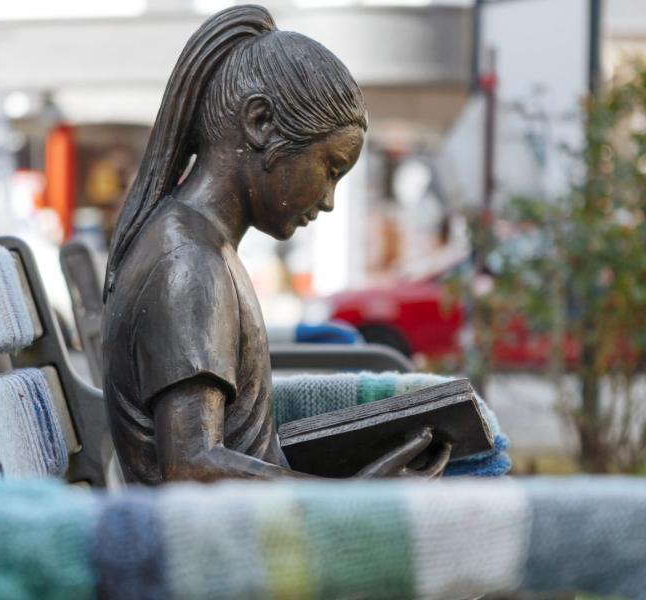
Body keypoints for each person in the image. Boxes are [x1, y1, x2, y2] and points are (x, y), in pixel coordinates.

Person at [102, 4, 450, 484]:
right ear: (261, 122)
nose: (328, 200)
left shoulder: (200, 248)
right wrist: (350, 501)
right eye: (330, 168)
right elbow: (191, 466)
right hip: (220, 534)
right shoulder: (188, 263)